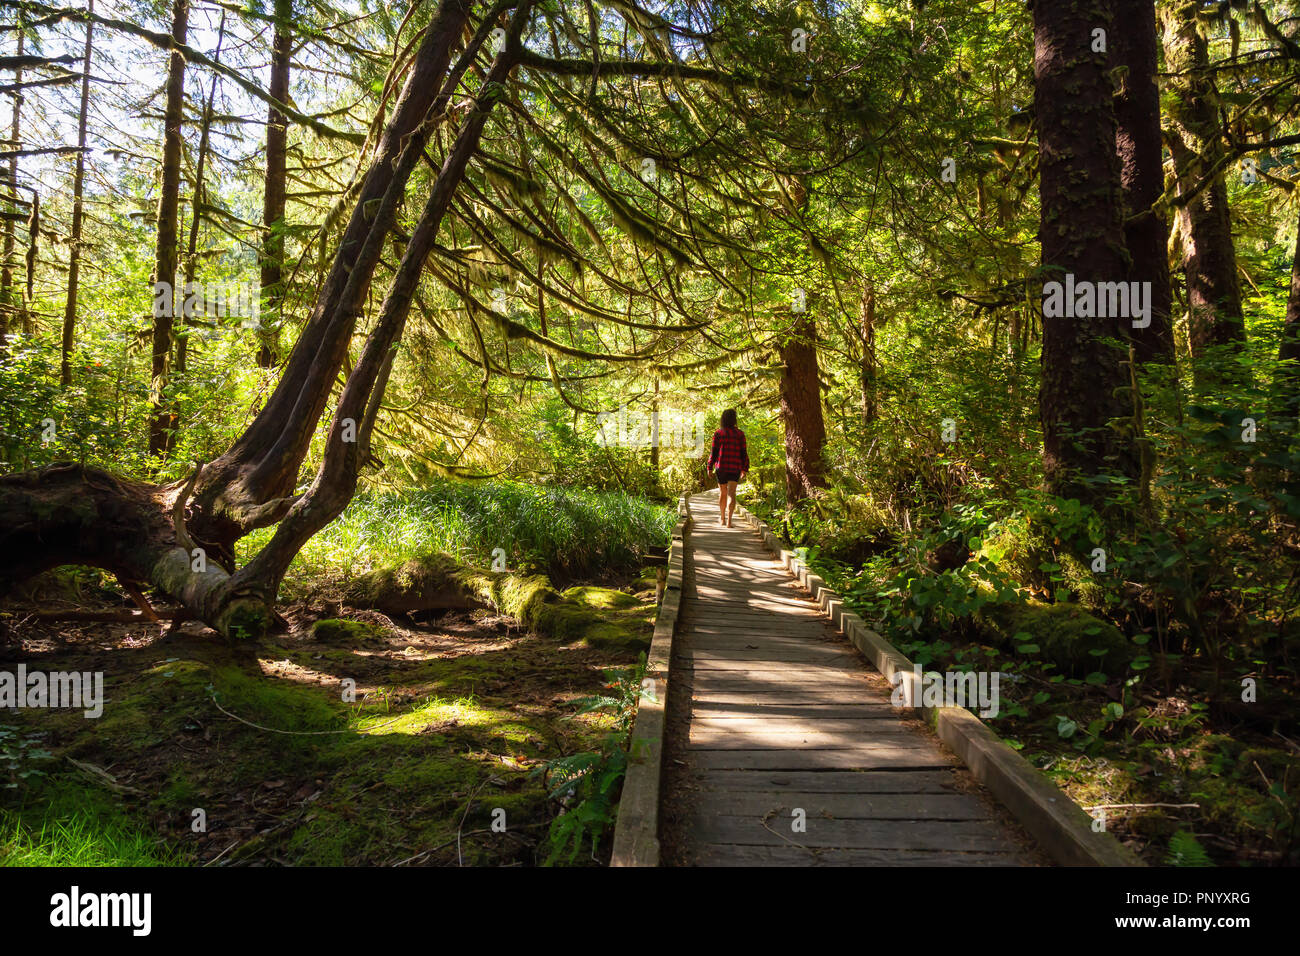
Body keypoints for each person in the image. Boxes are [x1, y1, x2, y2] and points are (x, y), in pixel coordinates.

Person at [707, 408, 748, 528]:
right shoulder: (740, 434)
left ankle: (722, 519)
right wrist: (744, 468)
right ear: (734, 419)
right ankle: (730, 522)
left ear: (723, 419)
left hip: (722, 467)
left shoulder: (718, 433)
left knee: (723, 492)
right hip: (735, 467)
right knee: (732, 493)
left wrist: (709, 466)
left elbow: (713, 452)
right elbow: (743, 452)